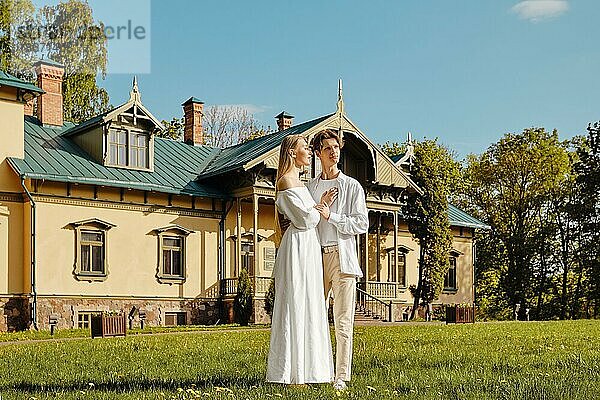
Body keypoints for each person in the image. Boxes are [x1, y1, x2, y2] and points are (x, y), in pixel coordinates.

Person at [266, 134, 336, 385]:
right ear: (292, 153)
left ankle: (310, 370)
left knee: (309, 302)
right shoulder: (286, 182)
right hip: (297, 246)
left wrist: (317, 206)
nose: (309, 151)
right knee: (295, 301)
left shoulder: (300, 184)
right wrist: (321, 207)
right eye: (305, 147)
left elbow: (308, 217)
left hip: (308, 246)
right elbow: (304, 220)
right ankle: (291, 373)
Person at [307, 129, 369, 391]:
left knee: (343, 320)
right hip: (314, 259)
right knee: (314, 317)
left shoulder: (351, 186)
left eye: (336, 147)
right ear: (318, 153)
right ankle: (316, 370)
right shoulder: (310, 187)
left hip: (342, 259)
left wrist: (330, 216)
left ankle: (341, 376)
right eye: (327, 148)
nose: (333, 151)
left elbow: (361, 223)